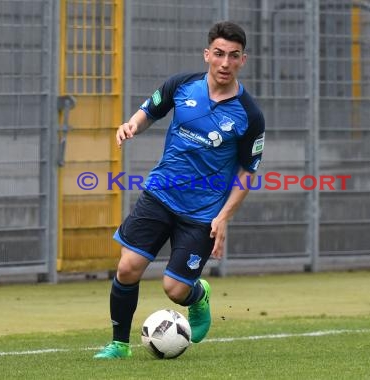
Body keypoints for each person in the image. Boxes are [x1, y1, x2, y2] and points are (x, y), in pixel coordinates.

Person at [94, 21, 265, 359]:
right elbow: (149, 111)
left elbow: (247, 172)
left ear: (243, 60)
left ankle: (198, 296)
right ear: (207, 55)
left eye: (233, 56)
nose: (225, 63)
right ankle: (118, 344)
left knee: (174, 289)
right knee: (128, 267)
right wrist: (132, 125)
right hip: (160, 195)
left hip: (202, 213)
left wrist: (224, 218)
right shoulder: (182, 85)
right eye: (219, 54)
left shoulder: (250, 115)